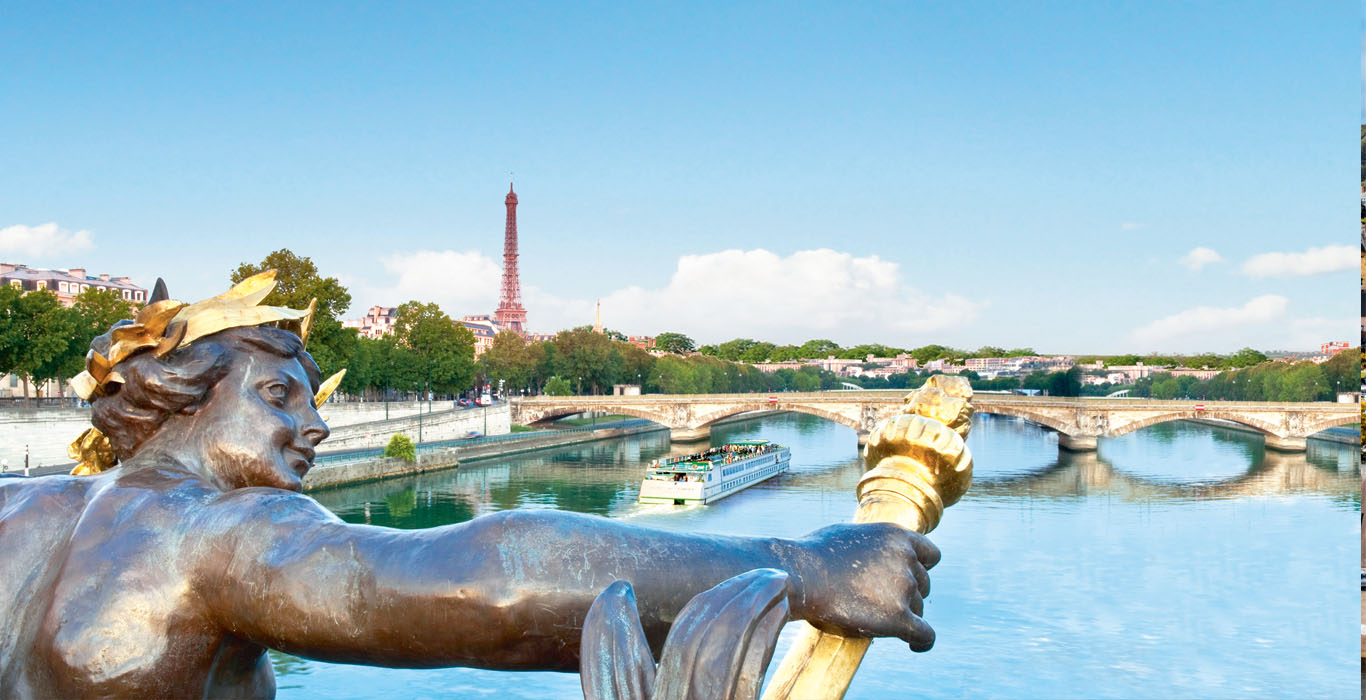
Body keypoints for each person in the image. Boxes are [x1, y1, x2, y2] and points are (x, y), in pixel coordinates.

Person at [0, 275, 939, 698]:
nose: (317, 423)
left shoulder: (20, 503)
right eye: (280, 394)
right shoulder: (212, 531)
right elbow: (491, 578)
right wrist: (807, 567)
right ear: (180, 401)